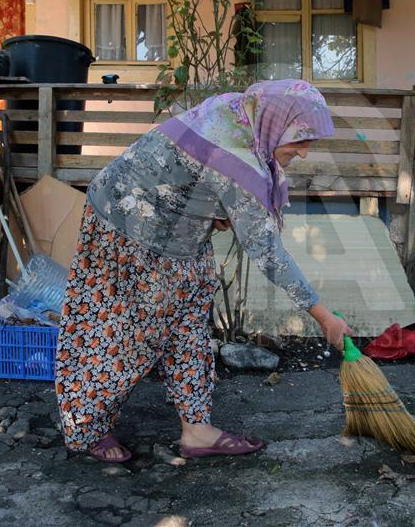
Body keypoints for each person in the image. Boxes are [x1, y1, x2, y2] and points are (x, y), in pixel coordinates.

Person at [55, 79, 354, 463]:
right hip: (125, 223)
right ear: (275, 124)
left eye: (311, 140)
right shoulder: (237, 156)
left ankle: (196, 430)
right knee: (124, 333)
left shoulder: (243, 114)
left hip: (179, 232)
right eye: (299, 138)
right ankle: (86, 427)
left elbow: (193, 174)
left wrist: (212, 209)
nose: (306, 151)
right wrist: (324, 317)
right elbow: (267, 252)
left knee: (189, 318)